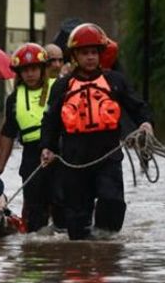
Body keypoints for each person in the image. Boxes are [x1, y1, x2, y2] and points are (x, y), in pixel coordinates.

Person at [40, 23, 154, 240]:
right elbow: (50, 121)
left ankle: (105, 249)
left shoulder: (115, 81)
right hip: (74, 159)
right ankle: (82, 251)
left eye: (94, 52)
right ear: (75, 55)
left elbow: (138, 106)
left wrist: (146, 123)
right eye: (85, 53)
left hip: (107, 155)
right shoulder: (62, 86)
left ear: (101, 54)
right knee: (77, 220)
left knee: (112, 201)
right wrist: (47, 147)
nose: (90, 57)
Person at [0, 43, 64, 233]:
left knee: (62, 202)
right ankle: (36, 245)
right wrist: (1, 165)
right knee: (35, 208)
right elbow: (9, 133)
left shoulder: (58, 88)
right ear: (19, 73)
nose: (30, 74)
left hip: (58, 152)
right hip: (31, 155)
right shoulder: (14, 99)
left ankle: (63, 242)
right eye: (25, 70)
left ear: (42, 69)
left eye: (34, 69)